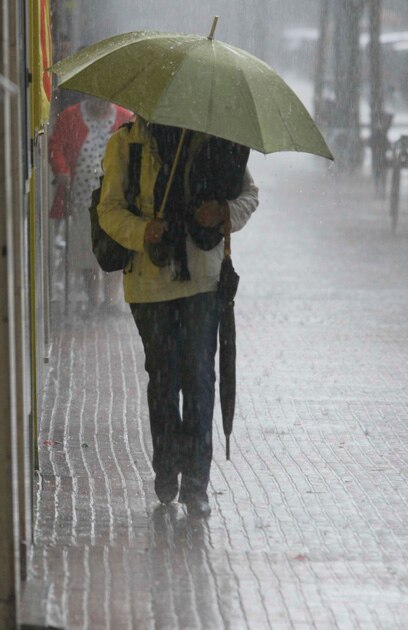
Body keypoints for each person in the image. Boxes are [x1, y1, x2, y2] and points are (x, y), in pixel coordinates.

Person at [97, 117, 258, 517]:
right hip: (149, 285)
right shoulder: (127, 144)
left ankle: (196, 484)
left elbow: (249, 195)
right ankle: (167, 465)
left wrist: (222, 210)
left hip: (202, 282)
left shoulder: (213, 140)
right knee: (164, 376)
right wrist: (142, 230)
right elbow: (109, 208)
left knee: (200, 376)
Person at [48, 96, 133, 310]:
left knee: (112, 245)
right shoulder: (70, 117)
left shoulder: (124, 117)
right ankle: (93, 298)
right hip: (81, 199)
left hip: (115, 199)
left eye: (105, 100)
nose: (101, 104)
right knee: (87, 249)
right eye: (97, 99)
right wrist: (62, 172)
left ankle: (111, 299)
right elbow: (55, 147)